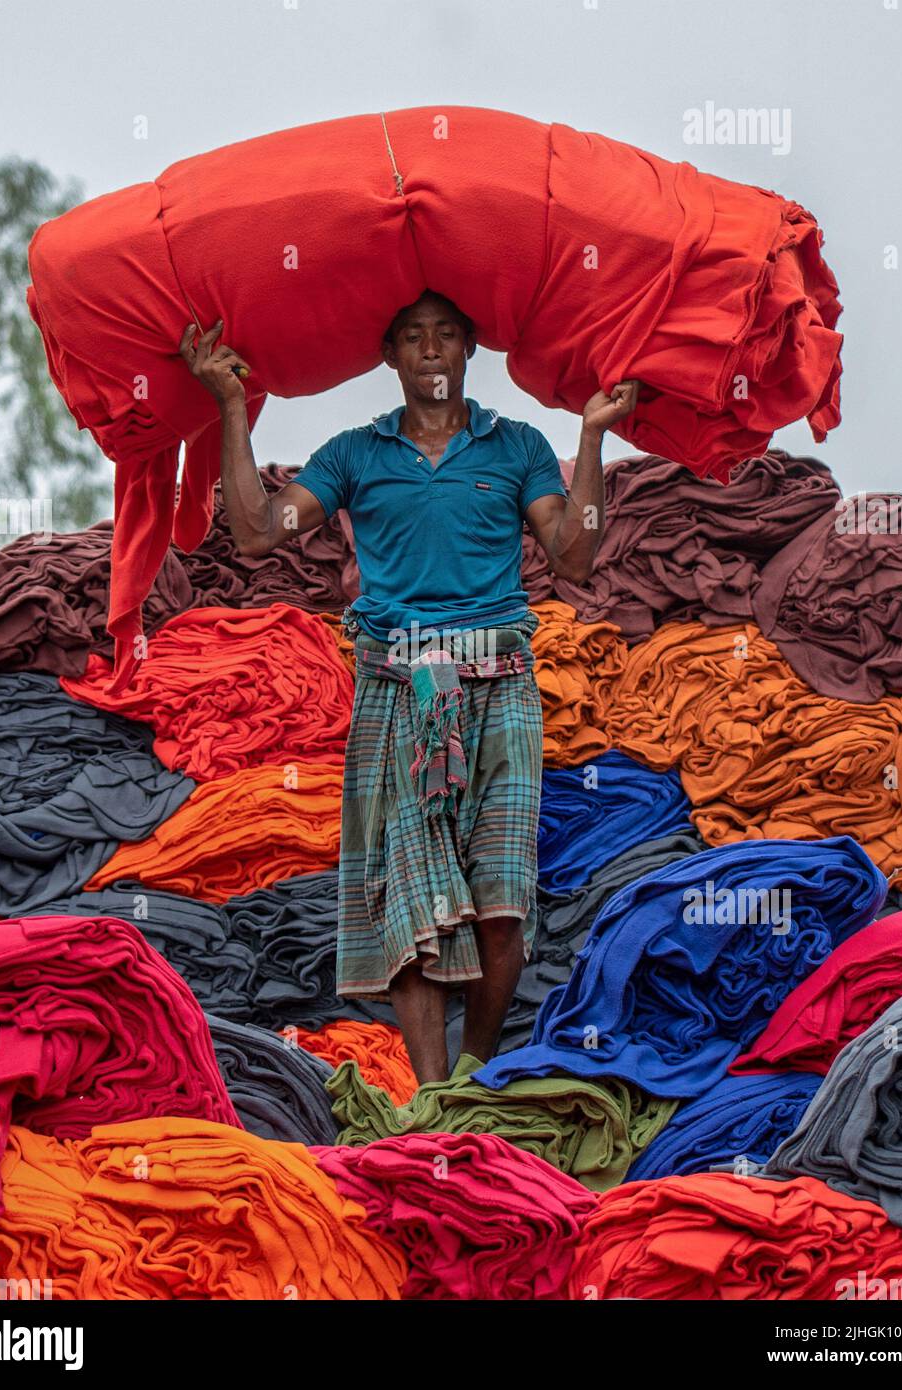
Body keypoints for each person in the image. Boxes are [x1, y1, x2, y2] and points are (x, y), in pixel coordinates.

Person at [179, 290, 639, 1083]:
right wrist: (230, 405)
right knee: (408, 900)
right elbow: (257, 533)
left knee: (502, 904)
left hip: (501, 684)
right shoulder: (357, 455)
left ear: (469, 353)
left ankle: (475, 1075)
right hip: (397, 687)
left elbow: (573, 557)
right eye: (414, 338)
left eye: (447, 336)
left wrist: (592, 436)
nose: (431, 350)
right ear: (390, 358)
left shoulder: (516, 446)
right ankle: (433, 1096)